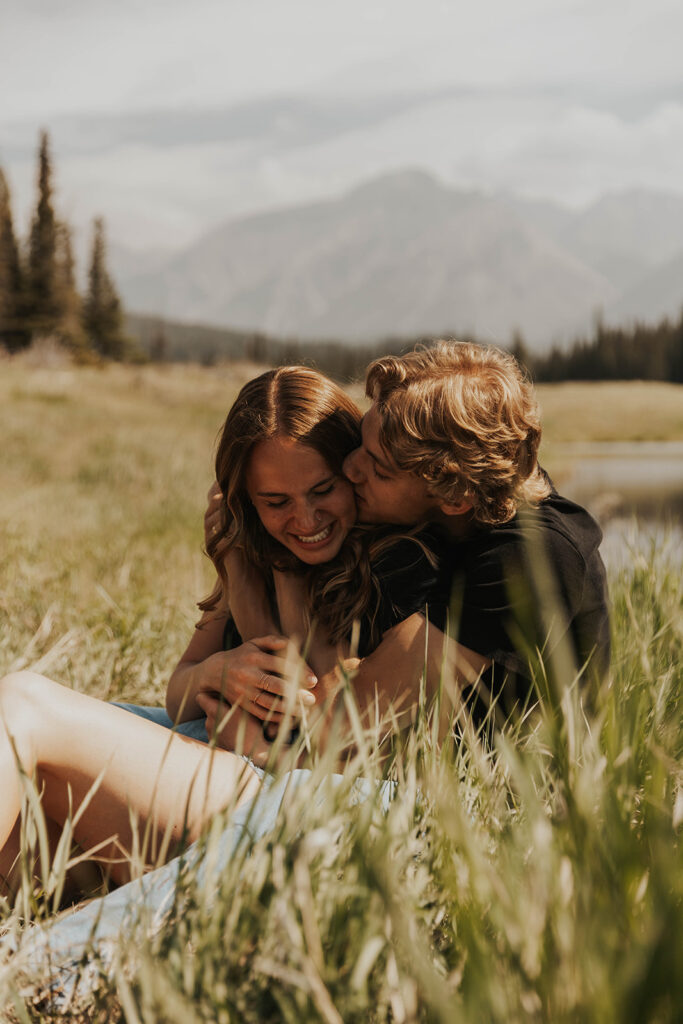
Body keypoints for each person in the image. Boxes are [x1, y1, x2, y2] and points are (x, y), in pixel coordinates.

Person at [0, 367, 442, 904]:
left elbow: (309, 704)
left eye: (322, 490)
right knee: (24, 793)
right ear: (246, 499)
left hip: (292, 794)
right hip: (218, 766)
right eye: (276, 501)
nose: (306, 518)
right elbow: (180, 692)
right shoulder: (253, 547)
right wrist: (217, 669)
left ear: (353, 472)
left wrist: (270, 578)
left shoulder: (395, 563)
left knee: (23, 702)